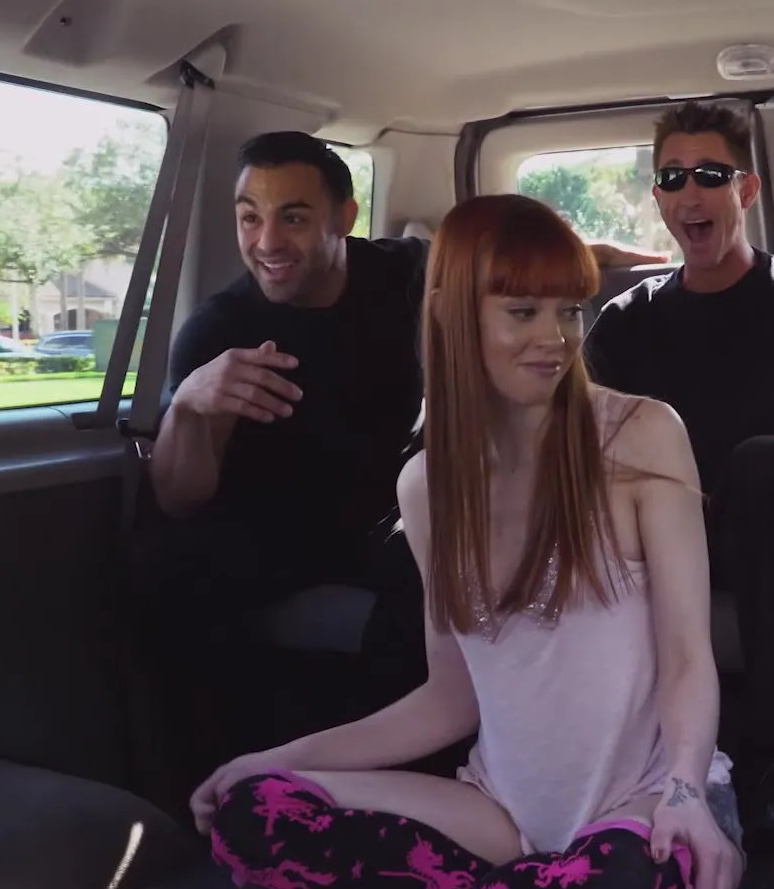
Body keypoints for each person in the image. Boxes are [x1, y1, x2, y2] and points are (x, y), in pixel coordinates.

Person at [186, 194, 743, 889]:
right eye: (522, 312)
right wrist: (269, 760)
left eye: (569, 311)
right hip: (497, 815)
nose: (556, 338)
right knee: (252, 811)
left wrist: (686, 791)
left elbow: (687, 656)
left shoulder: (641, 434)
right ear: (453, 315)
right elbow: (450, 700)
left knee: (615, 886)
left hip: (648, 799)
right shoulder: (426, 486)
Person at [134, 132, 666, 793]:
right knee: (164, 565)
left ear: (343, 217)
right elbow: (178, 498)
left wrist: (611, 260)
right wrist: (191, 407)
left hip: (391, 512)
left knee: (430, 580)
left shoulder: (405, 273)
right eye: (250, 218)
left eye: (292, 217)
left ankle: (440, 777)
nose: (267, 241)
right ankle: (196, 792)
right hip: (275, 529)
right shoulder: (217, 331)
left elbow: (509, 273)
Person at [582, 101, 774, 840]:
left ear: (745, 190)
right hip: (658, 538)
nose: (690, 194)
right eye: (672, 178)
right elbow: (587, 447)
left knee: (761, 465)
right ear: (658, 198)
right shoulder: (624, 322)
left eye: (710, 176)